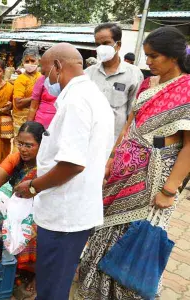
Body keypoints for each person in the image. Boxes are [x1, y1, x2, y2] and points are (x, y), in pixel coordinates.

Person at [77, 26, 190, 300]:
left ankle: (127, 293)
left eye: (153, 56)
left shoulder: (187, 88)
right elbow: (130, 123)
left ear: (173, 57)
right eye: (146, 56)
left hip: (157, 176)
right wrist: (113, 157)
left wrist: (169, 189)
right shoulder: (148, 83)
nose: (148, 62)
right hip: (123, 169)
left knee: (138, 234)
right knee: (107, 226)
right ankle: (95, 289)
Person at [16, 43, 114, 300]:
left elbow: (72, 163)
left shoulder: (76, 101)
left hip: (65, 214)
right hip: (74, 209)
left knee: (52, 288)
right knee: (53, 282)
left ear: (58, 67)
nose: (45, 80)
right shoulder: (93, 95)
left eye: (46, 71)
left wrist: (34, 186)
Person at [0, 121, 45, 294]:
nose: (23, 149)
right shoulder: (16, 158)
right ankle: (18, 267)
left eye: (29, 145)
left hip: (43, 212)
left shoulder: (48, 165)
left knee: (32, 234)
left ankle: (38, 274)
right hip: (19, 208)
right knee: (3, 229)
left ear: (42, 145)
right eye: (20, 143)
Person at [86, 23, 144, 140]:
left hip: (115, 140)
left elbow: (134, 113)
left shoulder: (133, 74)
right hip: (89, 137)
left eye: (106, 43)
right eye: (98, 44)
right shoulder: (88, 73)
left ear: (118, 45)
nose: (101, 48)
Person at [12, 48, 41, 147]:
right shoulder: (21, 79)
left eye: (32, 61)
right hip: (21, 120)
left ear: (39, 61)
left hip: (37, 119)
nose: (30, 63)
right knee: (20, 146)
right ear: (22, 62)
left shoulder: (41, 77)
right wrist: (35, 97)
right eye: (27, 61)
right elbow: (18, 103)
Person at [27, 54, 58, 129]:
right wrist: (28, 128)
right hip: (40, 125)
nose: (42, 70)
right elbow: (33, 107)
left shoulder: (68, 81)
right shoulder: (42, 79)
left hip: (59, 125)